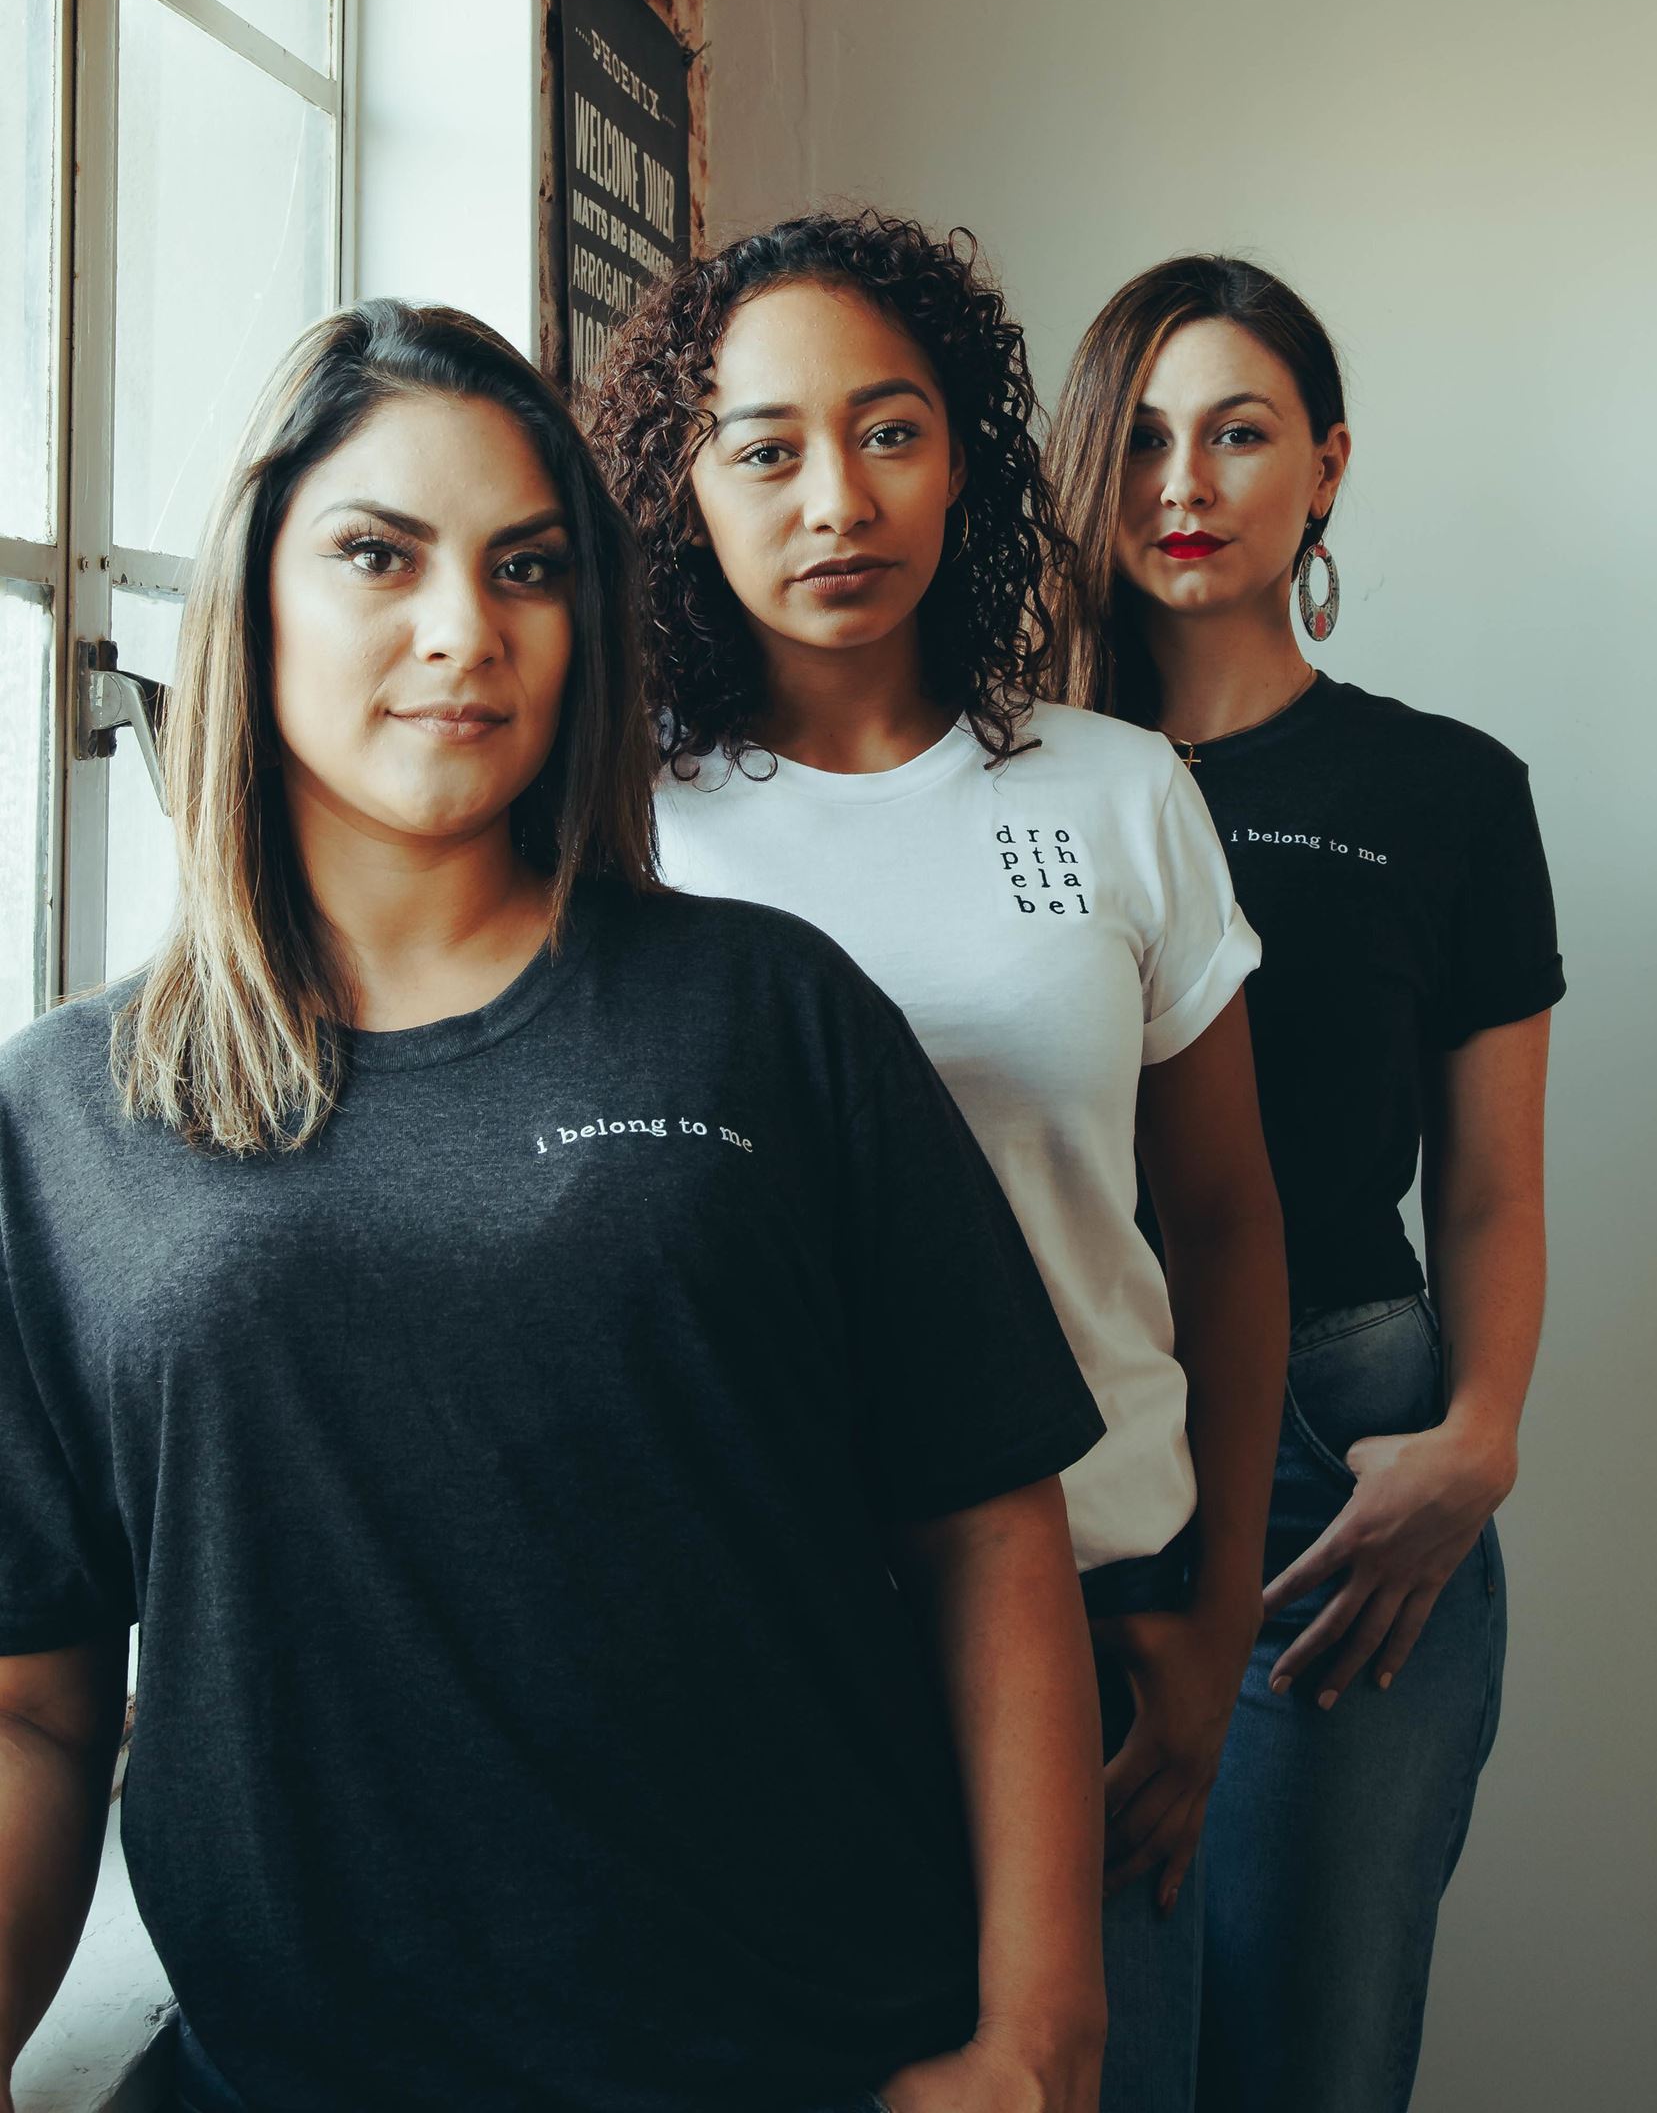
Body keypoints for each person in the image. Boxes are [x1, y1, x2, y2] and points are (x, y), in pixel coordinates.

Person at [0, 300, 1111, 2113]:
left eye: (527, 568)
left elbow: (992, 1532)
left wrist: (1042, 2039)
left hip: (805, 2055)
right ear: (253, 595)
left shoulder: (767, 1009)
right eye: (379, 555)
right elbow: (36, 1710)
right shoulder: (67, 1112)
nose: (466, 633)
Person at [587, 213, 1290, 2113]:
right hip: (754, 1647)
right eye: (766, 449)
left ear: (965, 456)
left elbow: (1223, 1225)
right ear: (684, 490)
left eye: (890, 430)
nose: (837, 499)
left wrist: (1216, 1624)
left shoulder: (1116, 790)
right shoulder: (617, 829)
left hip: (1102, 1630)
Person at [1047, 255, 1565, 2113]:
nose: (1184, 484)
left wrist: (1480, 1434)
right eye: (1143, 440)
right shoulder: (1012, 778)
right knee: (1076, 2053)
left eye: (1241, 433)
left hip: (1341, 1476)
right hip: (1047, 1459)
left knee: (1305, 2061)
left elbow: (1492, 1188)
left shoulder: (1447, 793)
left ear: (1327, 467)